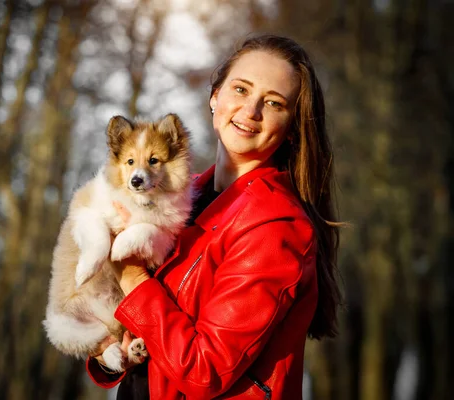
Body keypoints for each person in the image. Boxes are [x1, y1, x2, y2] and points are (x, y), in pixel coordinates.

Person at [86, 33, 342, 400]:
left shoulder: (276, 227)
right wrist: (105, 344)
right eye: (240, 90)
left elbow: (204, 372)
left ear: (290, 130)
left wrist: (130, 276)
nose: (251, 111)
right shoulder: (183, 197)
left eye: (273, 103)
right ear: (214, 97)